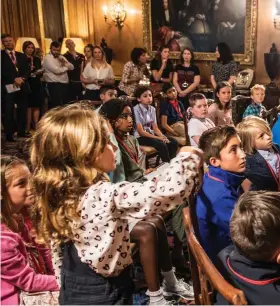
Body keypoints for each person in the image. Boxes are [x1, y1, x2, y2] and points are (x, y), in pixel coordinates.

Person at [30, 103, 203, 305]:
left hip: (74, 288)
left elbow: (59, 257)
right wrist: (188, 156)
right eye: (106, 141)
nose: (113, 146)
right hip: (102, 294)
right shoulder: (100, 195)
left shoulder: (62, 193)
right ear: (86, 154)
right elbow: (164, 192)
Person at [1, 156, 59, 305]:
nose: (31, 187)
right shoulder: (2, 239)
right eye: (21, 184)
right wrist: (66, 280)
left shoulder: (21, 217)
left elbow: (42, 252)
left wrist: (57, 274)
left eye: (30, 180)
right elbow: (29, 281)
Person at [195, 126, 246, 260]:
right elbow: (246, 236)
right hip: (229, 259)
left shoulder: (215, 177)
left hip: (233, 249)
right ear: (214, 161)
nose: (243, 154)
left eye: (241, 147)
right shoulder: (221, 195)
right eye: (233, 150)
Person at [133, 86, 179, 163]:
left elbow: (155, 128)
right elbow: (141, 132)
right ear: (138, 99)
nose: (149, 98)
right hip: (140, 137)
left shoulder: (152, 109)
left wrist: (162, 136)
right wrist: (158, 138)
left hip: (150, 134)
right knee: (161, 144)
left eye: (150, 96)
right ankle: (166, 164)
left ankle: (172, 162)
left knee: (173, 142)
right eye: (145, 96)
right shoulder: (135, 109)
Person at [1, 33, 30, 141]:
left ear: (13, 41)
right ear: (3, 44)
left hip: (22, 86)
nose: (8, 43)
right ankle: (9, 134)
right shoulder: (1, 55)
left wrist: (22, 78)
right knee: (8, 111)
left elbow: (27, 70)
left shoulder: (21, 55)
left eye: (10, 40)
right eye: (6, 41)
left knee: (22, 109)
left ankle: (21, 132)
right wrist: (14, 78)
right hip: (8, 87)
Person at [42, 41, 74, 109]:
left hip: (64, 84)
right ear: (50, 49)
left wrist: (64, 62)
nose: (56, 52)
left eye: (58, 50)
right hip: (54, 85)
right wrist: (66, 67)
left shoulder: (61, 57)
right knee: (56, 107)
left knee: (65, 106)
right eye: (54, 50)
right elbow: (57, 71)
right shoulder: (47, 58)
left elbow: (72, 67)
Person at [22, 41, 44, 132]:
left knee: (36, 105)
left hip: (36, 83)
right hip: (27, 83)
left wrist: (39, 72)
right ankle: (27, 126)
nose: (30, 49)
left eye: (32, 47)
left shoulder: (37, 59)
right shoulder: (21, 58)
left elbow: (40, 71)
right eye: (28, 47)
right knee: (29, 106)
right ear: (24, 48)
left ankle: (36, 124)